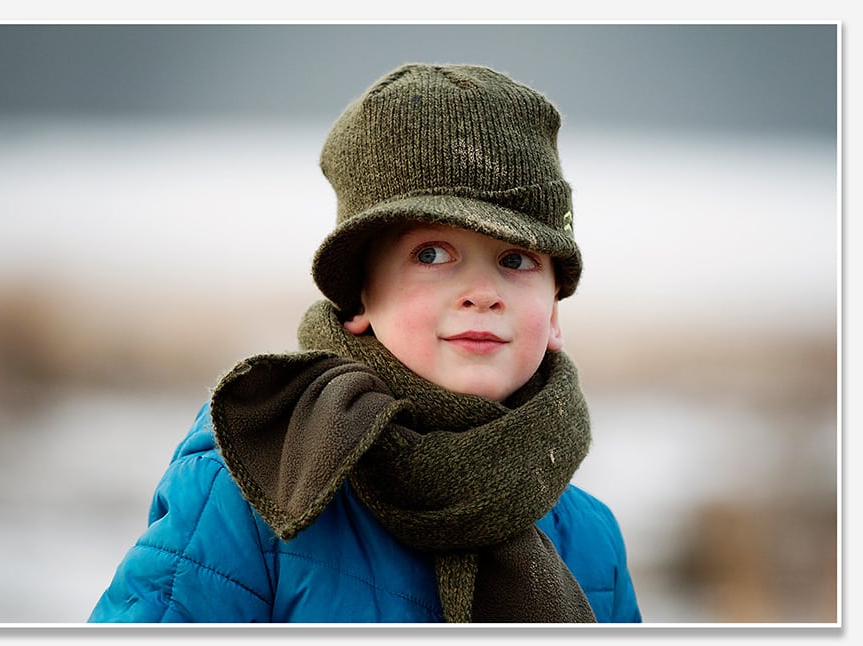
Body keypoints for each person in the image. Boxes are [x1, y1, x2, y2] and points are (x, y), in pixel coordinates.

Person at [88, 63, 642, 624]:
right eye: (431, 254)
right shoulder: (254, 486)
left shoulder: (592, 540)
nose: (482, 293)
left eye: (516, 259)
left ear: (553, 313)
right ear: (357, 297)